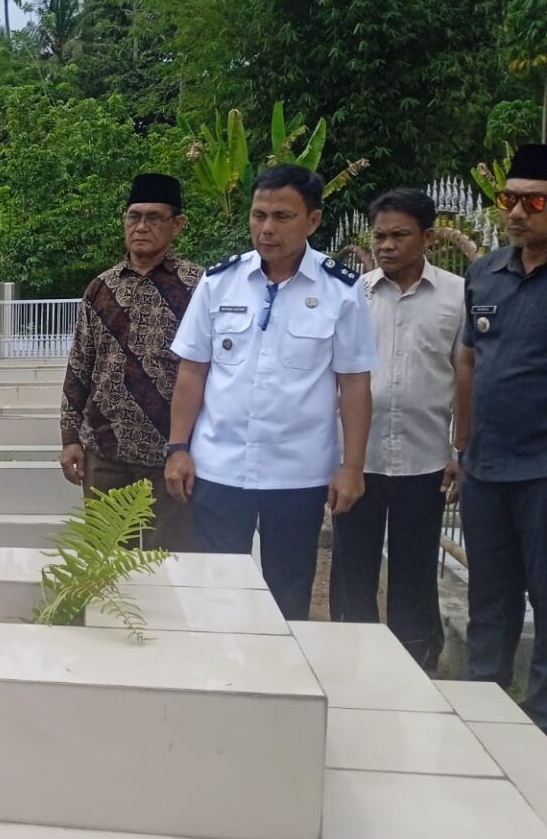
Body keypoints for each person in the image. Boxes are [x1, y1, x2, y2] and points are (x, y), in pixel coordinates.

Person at [166, 164, 375, 620]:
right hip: (218, 465)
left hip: (297, 473)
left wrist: (352, 467)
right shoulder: (220, 281)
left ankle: (283, 682)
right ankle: (219, 681)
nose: (266, 228)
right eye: (258, 215)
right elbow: (193, 370)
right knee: (214, 589)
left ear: (313, 221)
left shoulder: (341, 290)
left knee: (288, 592)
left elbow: (354, 383)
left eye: (282, 217)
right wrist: (178, 447)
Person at [329, 189, 463, 669]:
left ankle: (416, 663)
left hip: (424, 462)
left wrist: (458, 451)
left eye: (399, 235)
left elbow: (465, 377)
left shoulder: (456, 297)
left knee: (413, 569)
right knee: (351, 569)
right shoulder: (353, 295)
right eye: (379, 236)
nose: (386, 245)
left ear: (427, 237)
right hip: (356, 463)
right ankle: (349, 661)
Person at [60, 173, 202, 549]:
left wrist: (186, 447)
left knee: (165, 565)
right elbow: (80, 366)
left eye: (154, 218)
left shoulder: (198, 287)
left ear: (178, 224)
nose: (141, 227)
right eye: (133, 216)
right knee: (104, 562)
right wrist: (70, 438)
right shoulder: (101, 288)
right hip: (104, 452)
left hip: (168, 455)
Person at [457, 143, 547, 728]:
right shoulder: (485, 271)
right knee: (488, 598)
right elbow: (466, 361)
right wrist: (461, 445)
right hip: (485, 468)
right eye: (506, 198)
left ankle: (539, 725)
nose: (515, 212)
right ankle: (481, 714)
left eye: (532, 201)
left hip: (542, 470)